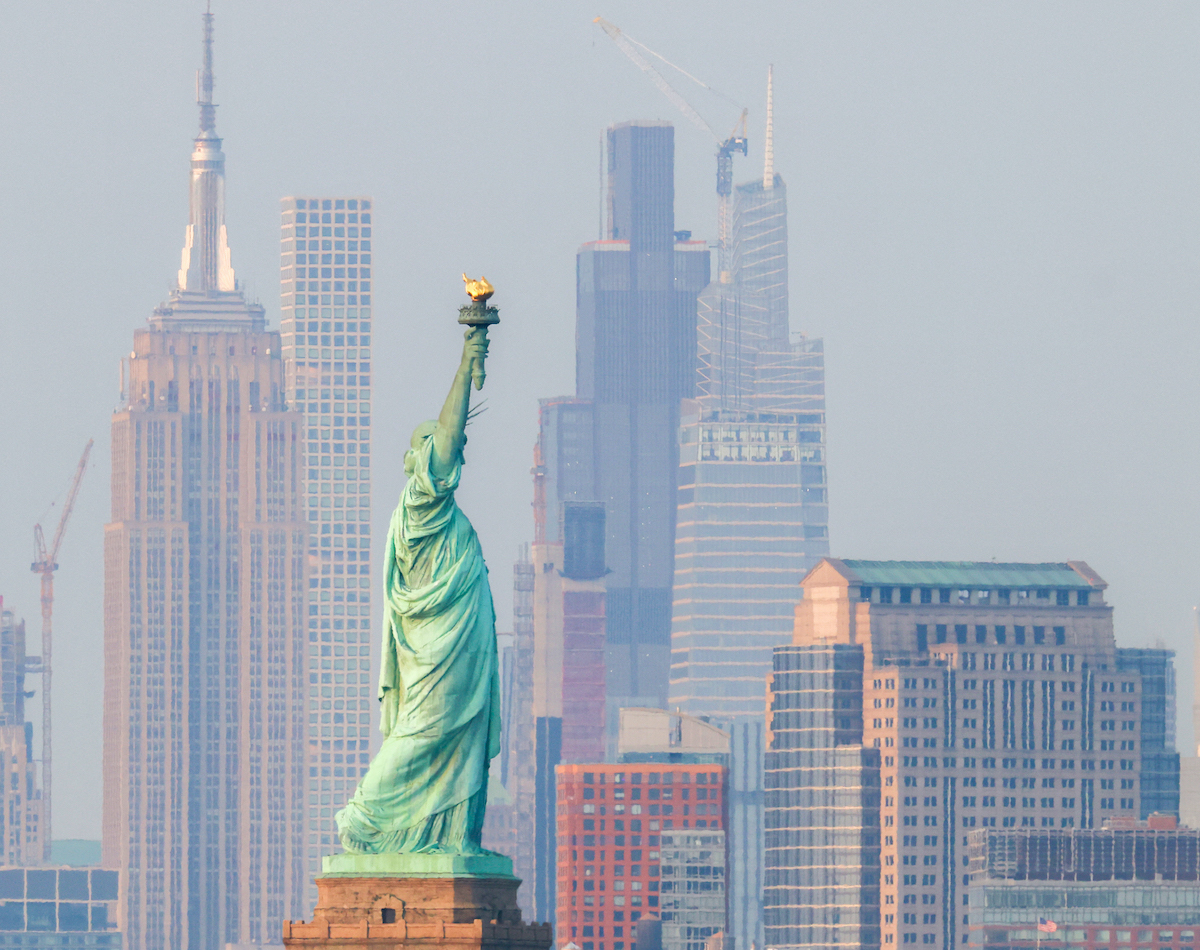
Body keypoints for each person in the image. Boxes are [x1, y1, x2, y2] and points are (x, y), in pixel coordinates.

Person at [336, 326, 499, 854]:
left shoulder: (444, 515)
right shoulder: (418, 505)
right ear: (420, 459)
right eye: (440, 446)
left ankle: (454, 835)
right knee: (424, 733)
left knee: (459, 737)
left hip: (461, 647)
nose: (455, 453)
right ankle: (366, 817)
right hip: (436, 651)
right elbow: (450, 437)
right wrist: (466, 362)